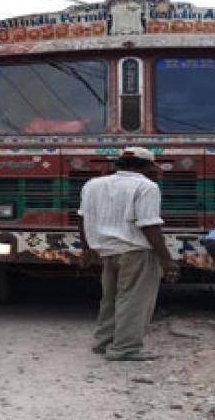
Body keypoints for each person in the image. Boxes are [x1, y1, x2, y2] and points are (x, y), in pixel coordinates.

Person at [77, 147, 178, 361]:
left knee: (110, 299)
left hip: (106, 250)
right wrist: (166, 259)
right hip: (137, 251)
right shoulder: (147, 187)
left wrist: (86, 248)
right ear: (148, 166)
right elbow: (149, 225)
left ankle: (104, 342)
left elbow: (83, 218)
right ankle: (124, 348)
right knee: (134, 300)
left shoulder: (93, 185)